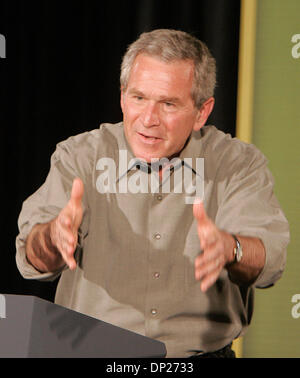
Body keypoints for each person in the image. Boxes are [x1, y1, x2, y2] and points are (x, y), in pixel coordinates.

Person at [16, 29, 289, 358]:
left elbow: (269, 259)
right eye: (139, 98)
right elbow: (32, 256)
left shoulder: (237, 164)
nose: (148, 119)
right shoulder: (81, 156)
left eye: (168, 104)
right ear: (122, 97)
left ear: (202, 112)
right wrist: (52, 237)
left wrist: (231, 249)